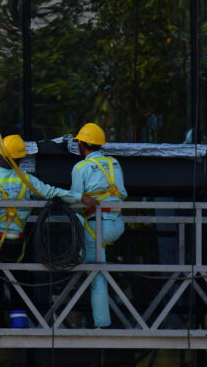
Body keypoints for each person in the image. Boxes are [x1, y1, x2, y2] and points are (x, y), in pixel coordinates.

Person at [0, 135, 93, 277]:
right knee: (19, 281)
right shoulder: (28, 181)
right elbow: (51, 192)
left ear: (0, 155)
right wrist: (80, 197)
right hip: (17, 243)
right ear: (20, 158)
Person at [70, 122, 128, 328]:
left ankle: (102, 324)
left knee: (97, 277)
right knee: (98, 269)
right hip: (116, 224)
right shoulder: (115, 164)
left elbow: (76, 201)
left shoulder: (81, 167)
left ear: (82, 145)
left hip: (96, 227)